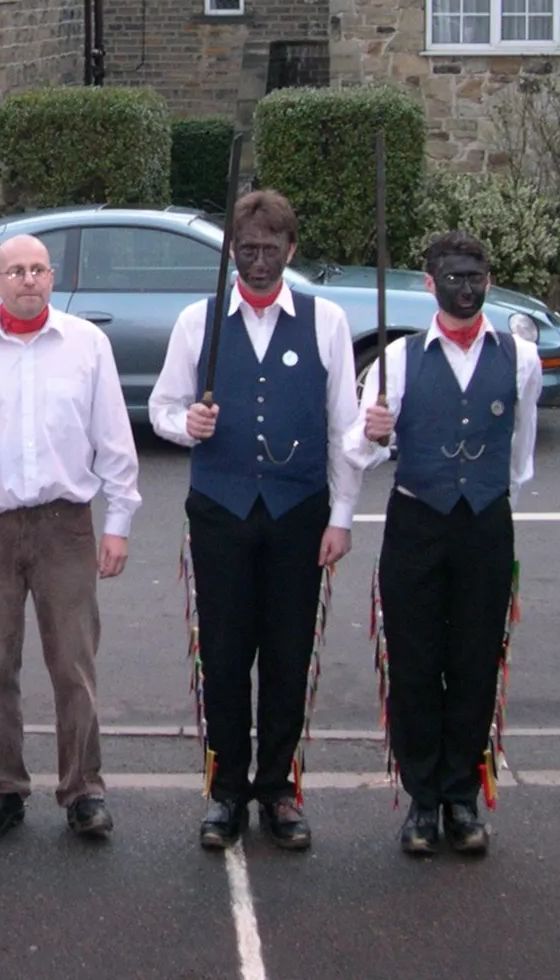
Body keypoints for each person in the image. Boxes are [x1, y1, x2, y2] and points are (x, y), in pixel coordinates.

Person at [148, 189, 364, 852]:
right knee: (224, 653)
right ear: (232, 252)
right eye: (247, 250)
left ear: (291, 250)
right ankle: (226, 791)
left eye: (271, 249)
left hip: (299, 512)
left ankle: (278, 788)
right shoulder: (197, 322)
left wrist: (344, 515)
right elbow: (160, 409)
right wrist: (188, 424)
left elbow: (344, 426)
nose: (259, 261)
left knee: (288, 655)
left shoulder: (326, 322)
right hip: (221, 511)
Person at [0, 232, 139, 842]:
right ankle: (1, 790)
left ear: (51, 277)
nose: (29, 280)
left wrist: (117, 523)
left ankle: (83, 789)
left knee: (74, 665)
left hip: (65, 526)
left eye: (39, 269)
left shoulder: (86, 345)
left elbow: (115, 441)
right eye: (15, 271)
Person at [353, 230, 541, 858]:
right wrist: (377, 434)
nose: (467, 288)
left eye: (476, 277)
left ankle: (463, 795)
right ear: (428, 283)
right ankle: (422, 799)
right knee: (412, 663)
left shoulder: (521, 358)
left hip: (485, 524)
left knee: (474, 660)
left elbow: (520, 451)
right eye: (453, 277)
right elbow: (360, 452)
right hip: (416, 525)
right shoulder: (399, 360)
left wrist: (487, 493)